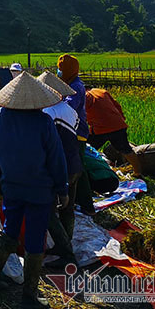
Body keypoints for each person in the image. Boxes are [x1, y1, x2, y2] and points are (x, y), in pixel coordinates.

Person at [0, 72, 68, 309]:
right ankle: (29, 294)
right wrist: (62, 188)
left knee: (10, 232)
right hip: (40, 190)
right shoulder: (43, 122)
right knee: (35, 238)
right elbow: (56, 159)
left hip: (11, 186)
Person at [37, 71, 82, 268]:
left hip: (60, 167)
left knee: (47, 210)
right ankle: (65, 244)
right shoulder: (69, 109)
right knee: (67, 208)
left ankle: (66, 252)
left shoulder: (48, 113)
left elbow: (48, 146)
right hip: (75, 164)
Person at [57, 54, 95, 215]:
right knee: (76, 168)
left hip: (77, 132)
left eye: (60, 70)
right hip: (72, 131)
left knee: (78, 169)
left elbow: (69, 107)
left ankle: (87, 205)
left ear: (67, 71)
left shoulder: (76, 87)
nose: (59, 72)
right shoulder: (70, 83)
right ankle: (81, 202)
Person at [85, 88, 142, 175]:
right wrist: (121, 120)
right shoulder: (102, 91)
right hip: (118, 125)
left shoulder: (84, 97)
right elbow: (117, 106)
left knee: (87, 150)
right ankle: (138, 172)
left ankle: (88, 172)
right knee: (126, 149)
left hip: (100, 129)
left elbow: (81, 115)